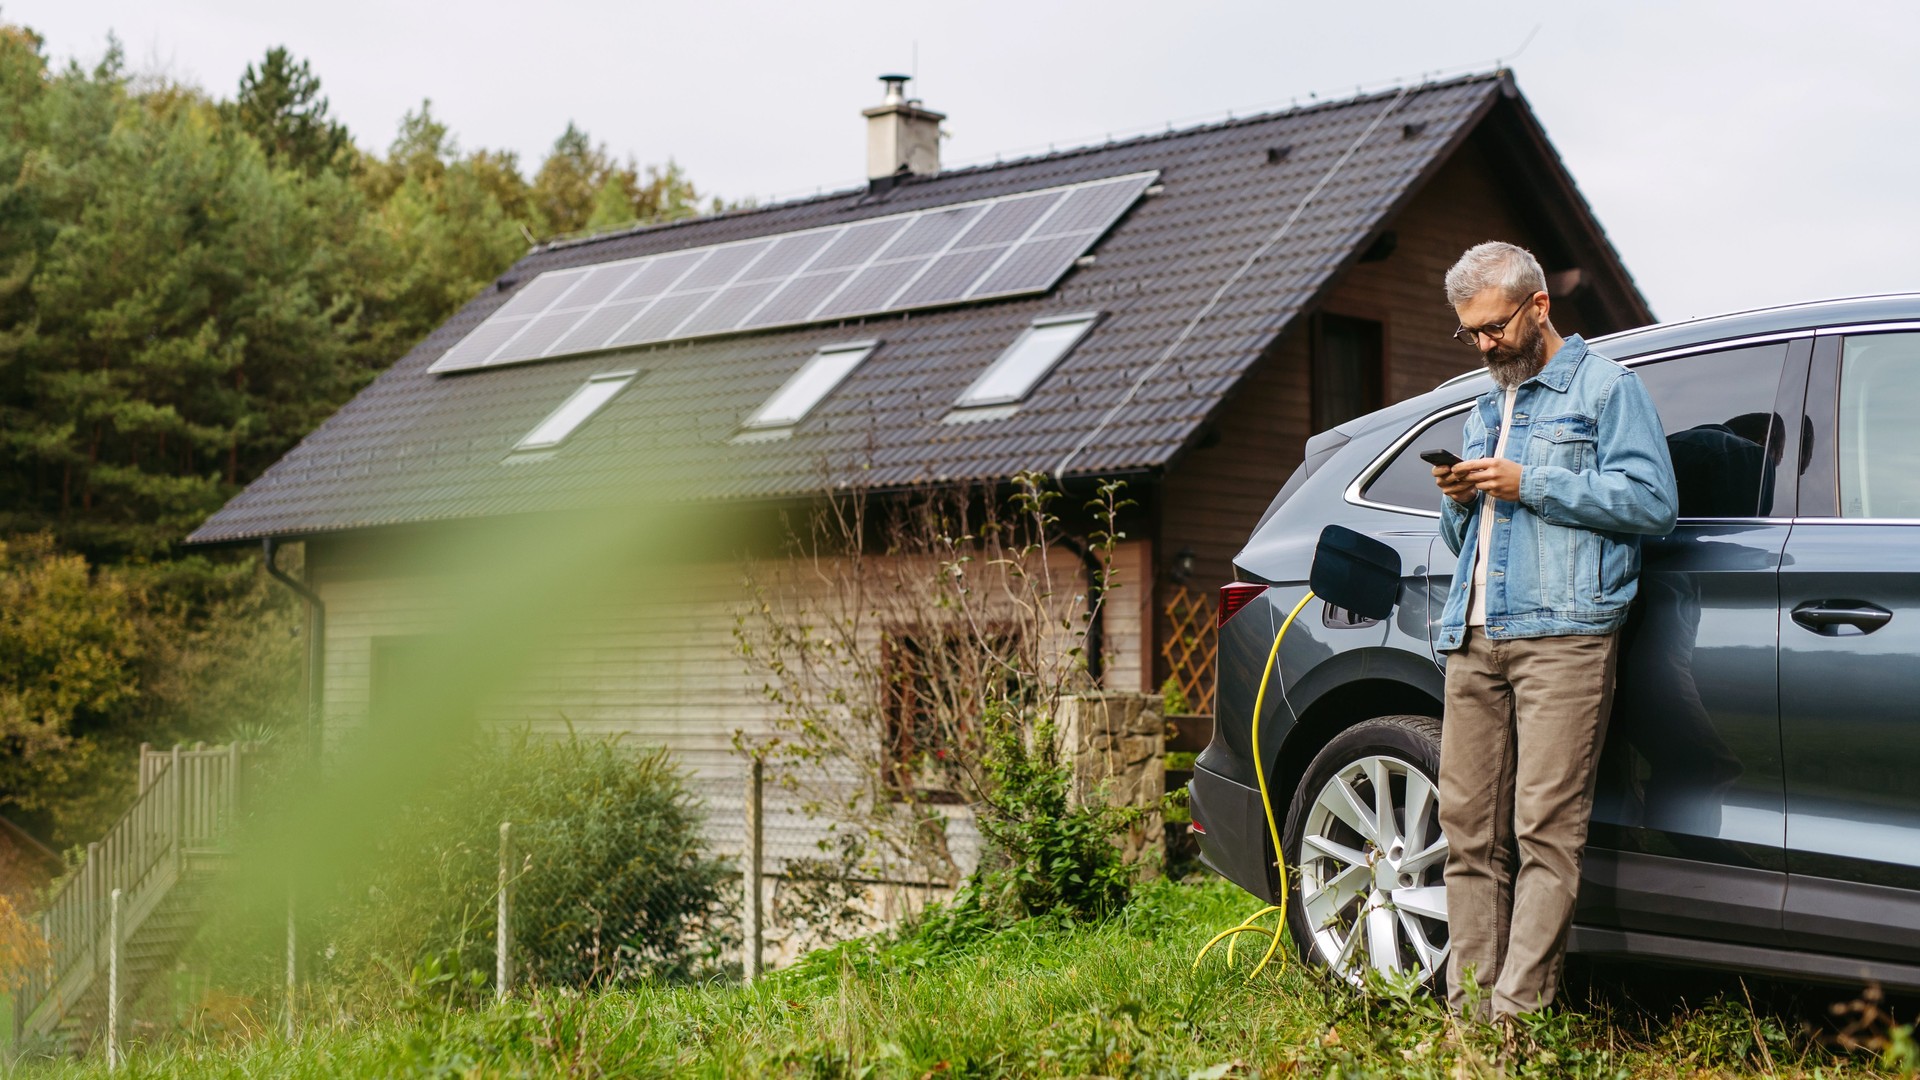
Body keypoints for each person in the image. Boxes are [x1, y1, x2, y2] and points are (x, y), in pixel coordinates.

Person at [1429, 242, 1678, 1022]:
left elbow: (1651, 503)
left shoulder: (1608, 389)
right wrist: (1459, 496)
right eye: (1469, 333)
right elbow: (1456, 537)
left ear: (1539, 306)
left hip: (1565, 636)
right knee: (1466, 835)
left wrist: (1529, 481)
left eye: (1493, 328)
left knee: (1545, 834)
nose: (1483, 345)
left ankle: (1514, 1026)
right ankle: (1466, 1022)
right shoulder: (1483, 404)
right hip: (1473, 635)